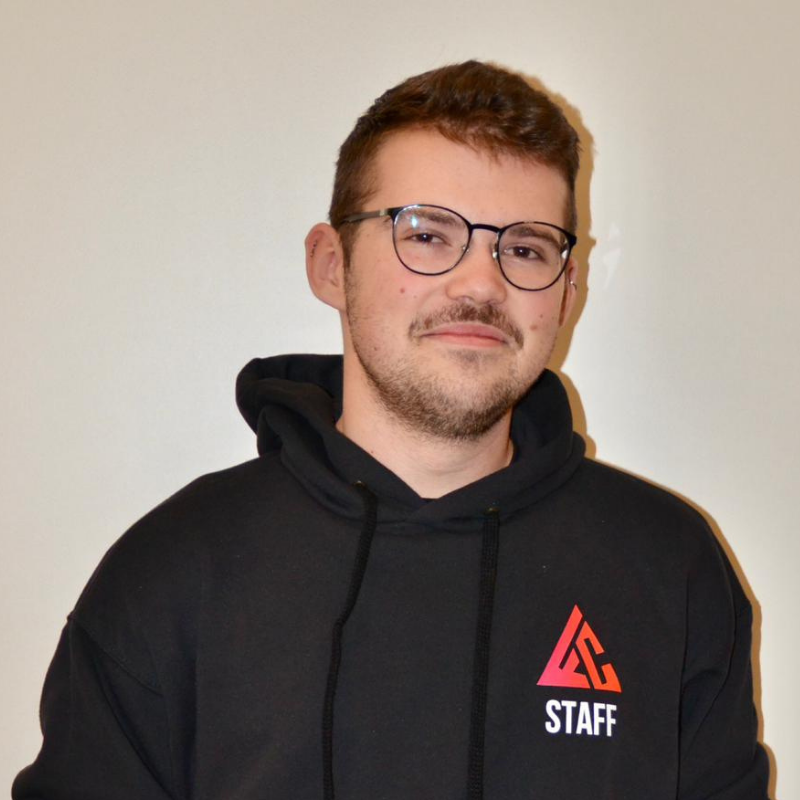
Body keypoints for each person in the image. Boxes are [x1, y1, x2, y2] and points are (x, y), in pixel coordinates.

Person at [14, 60, 769, 799]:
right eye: (429, 234)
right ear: (331, 264)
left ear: (566, 293)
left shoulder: (668, 566)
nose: (481, 283)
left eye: (526, 248)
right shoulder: (176, 570)